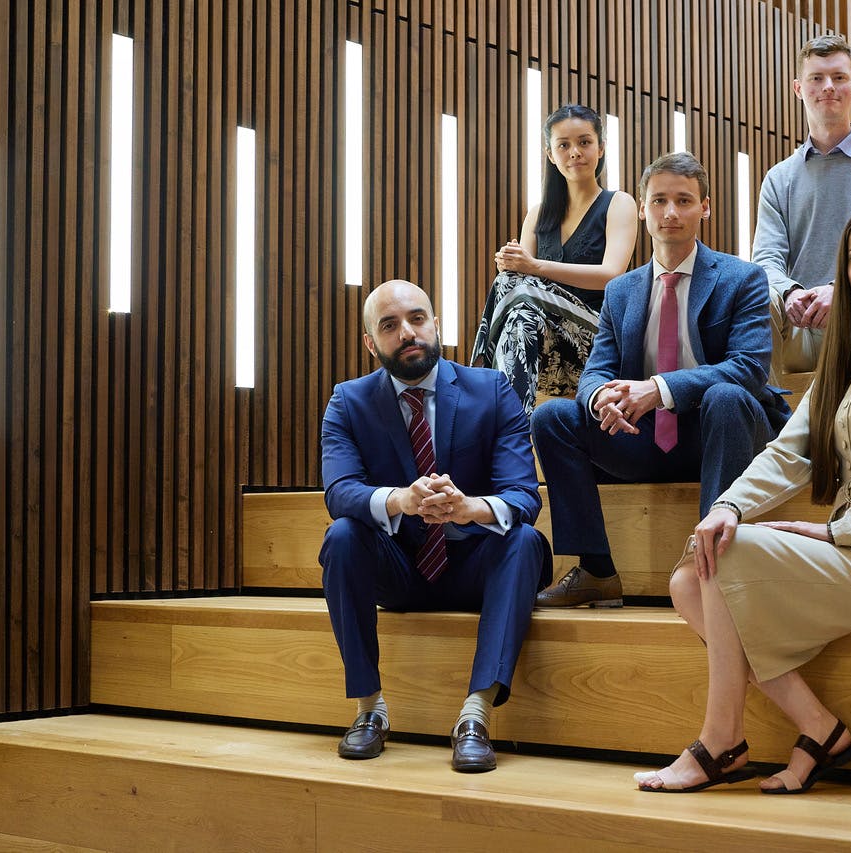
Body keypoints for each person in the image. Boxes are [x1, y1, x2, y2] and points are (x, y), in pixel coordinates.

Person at [634, 208, 851, 795]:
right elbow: (788, 454)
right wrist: (727, 508)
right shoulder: (845, 360)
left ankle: (721, 742)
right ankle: (820, 728)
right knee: (690, 578)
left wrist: (836, 532)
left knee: (728, 557)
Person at [531, 152, 790, 608]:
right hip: (644, 438)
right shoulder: (621, 290)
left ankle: (712, 559)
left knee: (728, 396)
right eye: (660, 200)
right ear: (643, 207)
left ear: (705, 208)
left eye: (684, 201)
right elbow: (596, 370)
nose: (671, 212)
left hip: (723, 435)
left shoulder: (742, 278)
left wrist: (659, 389)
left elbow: (748, 368)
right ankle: (596, 571)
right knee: (553, 416)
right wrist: (600, 400)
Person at [319, 280, 551, 773]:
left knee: (525, 540)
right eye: (389, 325)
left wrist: (469, 508)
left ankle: (475, 716)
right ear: (371, 343)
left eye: (417, 319)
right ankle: (369, 710)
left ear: (437, 324)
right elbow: (340, 492)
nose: (408, 332)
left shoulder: (491, 389)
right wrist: (401, 499)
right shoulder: (348, 402)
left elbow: (523, 496)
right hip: (400, 569)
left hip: (473, 567)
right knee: (341, 535)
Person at [753, 34, 851, 384]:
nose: (828, 87)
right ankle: (767, 418)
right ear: (798, 88)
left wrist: (839, 289)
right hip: (797, 326)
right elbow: (765, 260)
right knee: (756, 293)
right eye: (816, 78)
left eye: (839, 78)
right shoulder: (778, 179)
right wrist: (792, 293)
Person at [471, 104, 639, 414]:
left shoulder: (619, 203)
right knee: (519, 315)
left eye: (584, 142)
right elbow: (522, 286)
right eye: (564, 145)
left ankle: (478, 373)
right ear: (551, 155)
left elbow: (612, 274)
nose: (575, 152)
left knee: (513, 283)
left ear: (601, 148)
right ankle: (515, 427)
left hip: (595, 336)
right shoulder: (537, 214)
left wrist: (532, 266)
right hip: (541, 330)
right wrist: (512, 263)